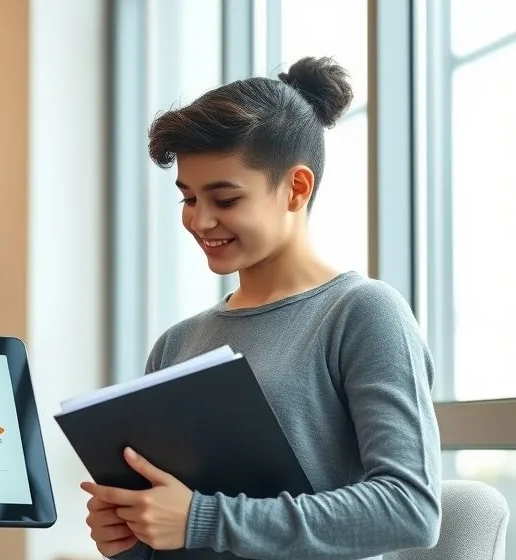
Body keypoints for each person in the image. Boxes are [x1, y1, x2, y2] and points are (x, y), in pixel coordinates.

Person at [81, 56, 442, 559]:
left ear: (296, 188)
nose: (200, 221)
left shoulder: (360, 313)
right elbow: (176, 530)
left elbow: (409, 508)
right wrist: (129, 535)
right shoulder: (177, 343)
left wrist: (203, 519)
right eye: (188, 198)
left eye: (224, 199)